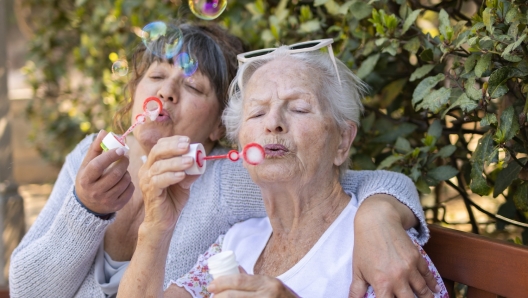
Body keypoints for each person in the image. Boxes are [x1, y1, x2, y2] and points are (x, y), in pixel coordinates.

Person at [9, 23, 435, 298]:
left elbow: (332, 182)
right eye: (157, 77)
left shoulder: (223, 175)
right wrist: (86, 210)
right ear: (136, 92)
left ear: (219, 128)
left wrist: (377, 216)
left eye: (193, 87)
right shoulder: (92, 157)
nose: (167, 93)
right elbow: (27, 290)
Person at [118, 40, 448, 298]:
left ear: (342, 142)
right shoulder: (235, 243)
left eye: (300, 109)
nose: (273, 123)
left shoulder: (379, 248)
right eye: (257, 113)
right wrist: (155, 226)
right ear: (240, 145)